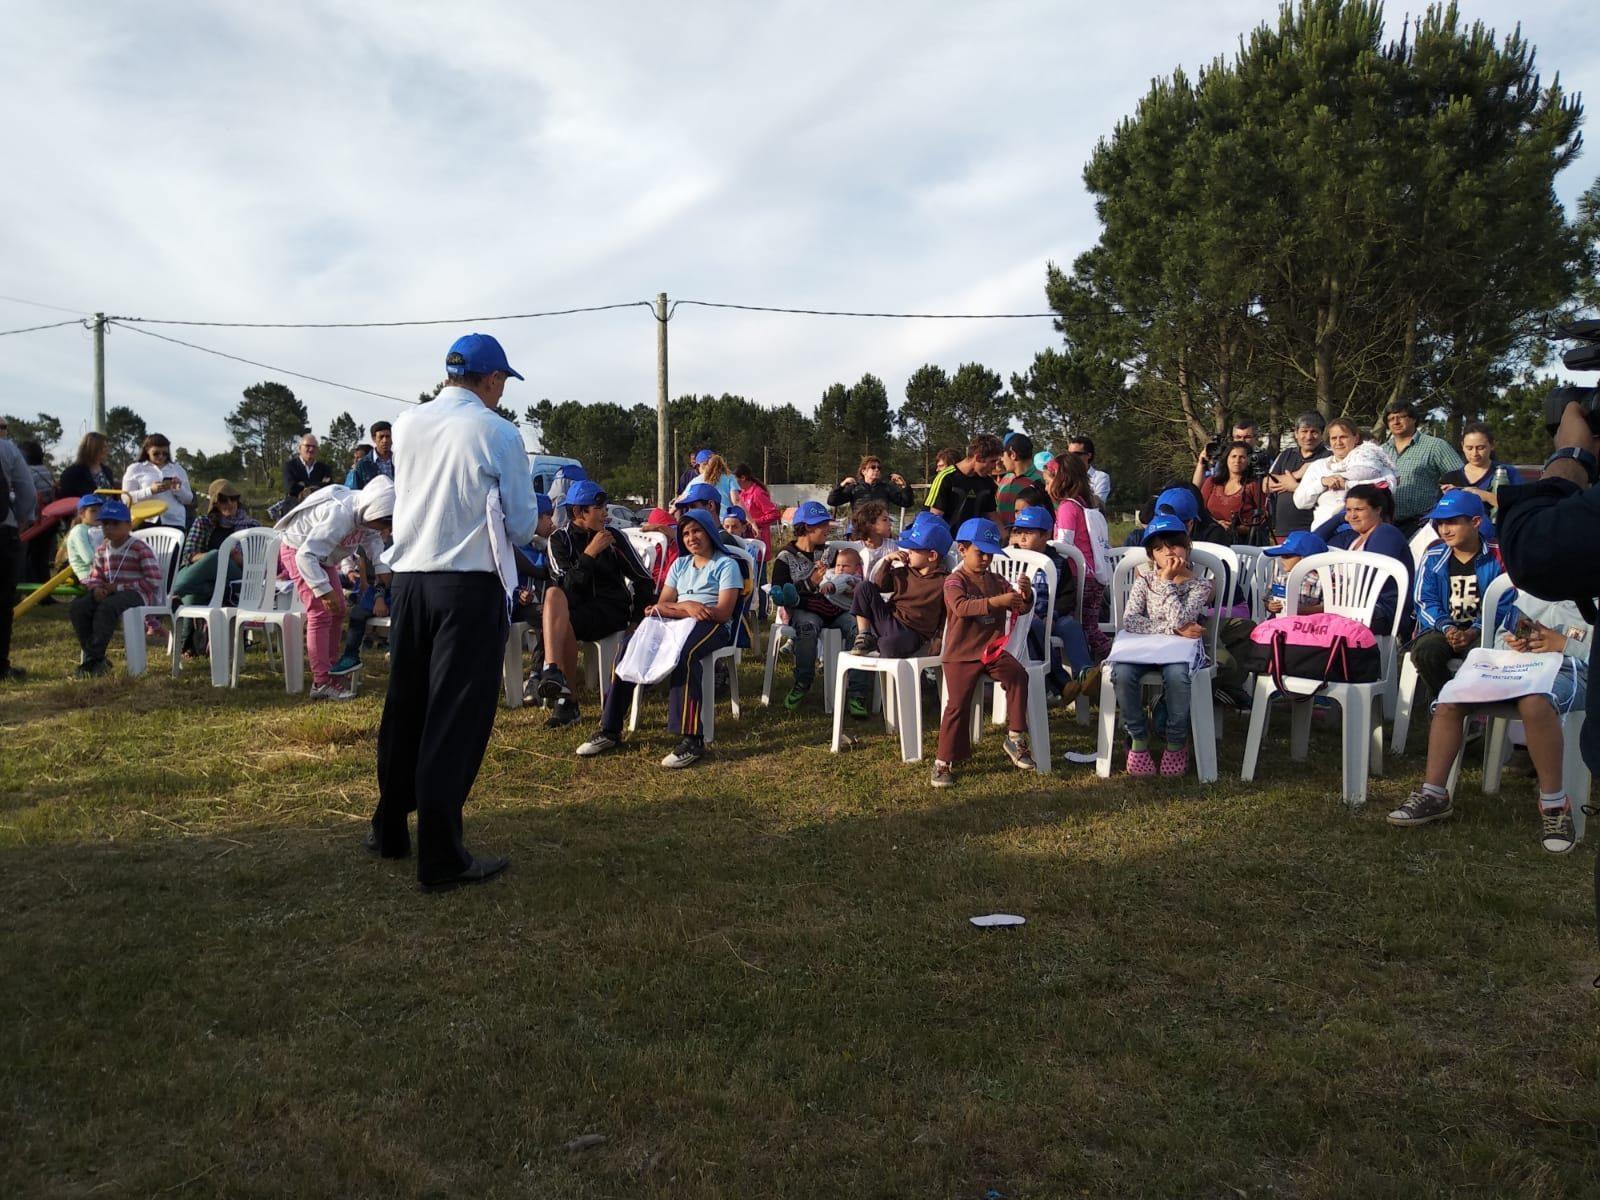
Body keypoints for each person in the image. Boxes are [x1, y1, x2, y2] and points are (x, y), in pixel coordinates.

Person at [371, 332, 539, 892]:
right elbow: (518, 522)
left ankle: (389, 828)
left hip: (412, 580)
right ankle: (441, 855)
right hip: (467, 585)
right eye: (500, 384)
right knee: (454, 717)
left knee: (407, 706)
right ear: (491, 380)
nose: (500, 394)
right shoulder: (498, 431)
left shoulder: (408, 422)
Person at [1388, 589, 1590, 852]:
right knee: (1452, 697)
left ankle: (1554, 806)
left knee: (1535, 703)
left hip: (1571, 670)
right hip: (1514, 666)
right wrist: (1515, 643)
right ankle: (1434, 794)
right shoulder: (1535, 591)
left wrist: (1563, 644)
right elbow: (1501, 637)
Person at [576, 509, 742, 769]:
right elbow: (661, 605)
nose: (691, 538)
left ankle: (692, 739)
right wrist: (686, 607)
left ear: (709, 532)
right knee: (628, 649)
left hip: (712, 624)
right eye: (685, 533)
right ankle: (609, 729)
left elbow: (722, 612)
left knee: (685, 655)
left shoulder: (725, 565)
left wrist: (679, 609)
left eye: (697, 531)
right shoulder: (680, 564)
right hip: (678, 620)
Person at [1494, 395, 1600, 771]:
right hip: (1537, 664)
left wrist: (1571, 456)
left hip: (1574, 669)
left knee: (1536, 699)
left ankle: (1554, 798)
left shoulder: (1572, 556)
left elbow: (1534, 553)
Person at [534, 479, 656, 730]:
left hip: (611, 611)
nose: (605, 513)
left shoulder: (614, 538)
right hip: (577, 610)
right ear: (579, 512)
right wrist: (589, 554)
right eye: (598, 508)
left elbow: (644, 580)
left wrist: (635, 621)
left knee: (562, 615)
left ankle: (564, 698)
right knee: (554, 596)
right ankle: (556, 676)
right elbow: (566, 585)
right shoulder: (559, 540)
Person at [931, 518, 1035, 787]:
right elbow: (961, 607)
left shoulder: (997, 580)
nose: (987, 558)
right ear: (963, 549)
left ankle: (1014, 737)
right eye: (981, 553)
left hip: (991, 650)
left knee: (1018, 676)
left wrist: (1025, 595)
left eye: (991, 553)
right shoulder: (954, 580)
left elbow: (1019, 608)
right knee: (956, 704)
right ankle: (943, 762)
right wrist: (995, 603)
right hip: (961, 654)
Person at [1111, 516, 1214, 777]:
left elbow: (1183, 618)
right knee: (1121, 673)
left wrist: (1167, 582)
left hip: (1179, 652)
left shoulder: (1200, 585)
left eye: (1174, 545)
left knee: (1177, 677)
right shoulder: (1144, 581)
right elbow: (1131, 620)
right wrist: (1171, 629)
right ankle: (1137, 737)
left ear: (1187, 547)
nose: (1168, 552)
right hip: (1142, 648)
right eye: (1159, 548)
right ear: (1151, 556)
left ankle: (1176, 739)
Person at [276, 478, 394, 700]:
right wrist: (322, 589)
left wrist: (381, 566)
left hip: (323, 557)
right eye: (385, 523)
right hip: (299, 551)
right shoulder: (340, 514)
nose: (387, 529)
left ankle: (331, 670)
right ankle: (321, 683)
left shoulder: (366, 515)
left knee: (338, 610)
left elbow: (373, 540)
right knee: (320, 612)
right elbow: (306, 555)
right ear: (375, 513)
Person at [1405, 490, 1512, 701]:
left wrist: (1474, 631)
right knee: (1426, 653)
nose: (1444, 530)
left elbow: (1506, 602)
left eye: (1452, 522)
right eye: (1440, 523)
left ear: (1476, 522)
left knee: (1483, 656)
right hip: (1440, 628)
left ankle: (1477, 708)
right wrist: (1448, 627)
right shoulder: (1433, 555)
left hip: (1486, 630)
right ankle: (1446, 704)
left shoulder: (1498, 555)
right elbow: (1424, 600)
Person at [771, 500, 871, 715]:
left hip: (836, 609)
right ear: (808, 527)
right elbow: (780, 594)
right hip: (806, 610)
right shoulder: (785, 558)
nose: (828, 529)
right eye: (823, 525)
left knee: (858, 628)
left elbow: (851, 576)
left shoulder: (830, 552)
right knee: (807, 626)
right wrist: (810, 584)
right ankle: (802, 682)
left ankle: (857, 692)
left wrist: (848, 589)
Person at [1009, 505, 1096, 704]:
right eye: (1018, 532)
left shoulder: (1057, 562)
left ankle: (1086, 673)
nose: (1021, 538)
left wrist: (1054, 615)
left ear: (1046, 534)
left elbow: (1067, 596)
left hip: (1053, 615)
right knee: (1035, 625)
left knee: (1072, 626)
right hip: (1026, 618)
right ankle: (1060, 681)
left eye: (1029, 533)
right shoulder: (1010, 560)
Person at [67, 500, 161, 678]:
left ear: (129, 525)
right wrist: (95, 589)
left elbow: (153, 580)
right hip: (110, 593)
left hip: (137, 595)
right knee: (78, 608)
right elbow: (95, 576)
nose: (109, 528)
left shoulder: (139, 548)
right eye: (105, 524)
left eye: (115, 523)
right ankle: (96, 659)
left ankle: (93, 659)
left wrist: (118, 587)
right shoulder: (102, 550)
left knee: (107, 608)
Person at [171, 480, 259, 657]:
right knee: (199, 587)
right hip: (208, 581)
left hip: (239, 580)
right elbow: (189, 555)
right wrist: (214, 557)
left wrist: (233, 557)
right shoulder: (203, 523)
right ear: (215, 503)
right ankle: (188, 646)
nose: (229, 504)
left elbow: (257, 565)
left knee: (216, 556)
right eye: (224, 500)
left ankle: (172, 593)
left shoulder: (251, 526)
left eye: (233, 499)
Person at [1314, 483, 1415, 637]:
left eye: (1359, 510)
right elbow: (1313, 542)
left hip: (1381, 609)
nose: (1352, 516)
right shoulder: (1352, 538)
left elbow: (1366, 578)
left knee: (1311, 617)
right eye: (1349, 510)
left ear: (1378, 509)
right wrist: (1339, 518)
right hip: (1349, 604)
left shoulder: (1386, 533)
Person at [850, 517, 951, 658]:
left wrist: (940, 638)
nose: (908, 552)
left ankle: (880, 647)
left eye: (914, 550)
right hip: (889, 619)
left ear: (932, 556)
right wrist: (887, 561)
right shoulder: (904, 571)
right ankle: (865, 635)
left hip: (913, 632)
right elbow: (879, 586)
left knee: (888, 645)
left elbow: (947, 614)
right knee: (864, 587)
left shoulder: (944, 581)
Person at [1045, 451, 1112, 660]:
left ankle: (1115, 659)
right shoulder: (1085, 503)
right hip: (1094, 576)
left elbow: (1063, 546)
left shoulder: (1067, 508)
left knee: (1086, 629)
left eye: (1048, 481)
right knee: (1090, 627)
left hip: (1078, 579)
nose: (1046, 488)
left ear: (1059, 480)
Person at [1292, 418, 1396, 530]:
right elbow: (1300, 502)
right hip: (1325, 532)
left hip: (1364, 533)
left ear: (1355, 438)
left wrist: (1347, 484)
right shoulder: (1318, 466)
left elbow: (1389, 485)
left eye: (1343, 437)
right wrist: (1322, 483)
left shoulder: (1371, 460)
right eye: (1333, 438)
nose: (1338, 442)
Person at [1383, 399, 1465, 536]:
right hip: (1387, 525)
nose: (1396, 422)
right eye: (1391, 419)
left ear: (1414, 419)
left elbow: (1461, 477)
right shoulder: (1380, 451)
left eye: (1402, 417)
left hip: (1422, 524)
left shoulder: (1436, 446)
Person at [0, 429, 39, 681]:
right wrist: (23, 518)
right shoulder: (7, 449)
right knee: (2, 600)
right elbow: (27, 490)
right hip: (3, 530)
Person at [1264, 412, 1331, 538]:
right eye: (1304, 431)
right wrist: (1297, 474)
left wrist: (1294, 486)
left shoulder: (1329, 458)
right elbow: (1266, 485)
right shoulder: (1286, 454)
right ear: (1296, 433)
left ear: (1322, 434)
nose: (1308, 437)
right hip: (1282, 530)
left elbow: (1328, 491)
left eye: (1314, 432)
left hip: (1314, 531)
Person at [1193, 440, 1268, 541]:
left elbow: (1263, 518)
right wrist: (1217, 524)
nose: (1237, 461)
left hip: (1242, 542)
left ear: (1249, 460)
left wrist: (1235, 529)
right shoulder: (1212, 482)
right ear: (1226, 458)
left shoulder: (1253, 485)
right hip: (1210, 538)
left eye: (1242, 457)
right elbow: (1199, 509)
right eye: (1233, 456)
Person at [1440, 422, 1522, 510]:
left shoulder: (1507, 473)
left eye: (1480, 448)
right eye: (1469, 448)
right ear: (1462, 446)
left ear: (1492, 445)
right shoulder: (1450, 478)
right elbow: (1440, 512)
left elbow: (1522, 506)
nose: (1474, 453)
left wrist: (1486, 496)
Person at [926, 436, 1001, 530]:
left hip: (974, 543)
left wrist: (1007, 539)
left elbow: (992, 515)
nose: (994, 466)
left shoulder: (988, 483)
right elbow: (934, 518)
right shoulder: (946, 477)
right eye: (992, 461)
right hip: (948, 542)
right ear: (978, 458)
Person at [121, 433, 193, 529]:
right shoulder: (135, 468)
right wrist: (150, 490)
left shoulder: (177, 469)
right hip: (143, 519)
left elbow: (188, 499)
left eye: (165, 453)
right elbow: (126, 498)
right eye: (156, 453)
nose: (161, 456)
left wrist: (178, 489)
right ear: (147, 450)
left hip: (173, 521)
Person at [18, 439, 57, 589]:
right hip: (49, 518)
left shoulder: (27, 472)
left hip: (33, 519)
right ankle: (44, 592)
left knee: (29, 558)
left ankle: (31, 590)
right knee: (42, 558)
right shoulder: (45, 470)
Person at [1261, 530, 1328, 616]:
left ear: (1306, 558)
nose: (1282, 559)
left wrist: (1302, 610)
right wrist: (1270, 606)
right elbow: (1268, 599)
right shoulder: (1281, 579)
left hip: (1312, 625)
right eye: (1281, 555)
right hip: (1281, 623)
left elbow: (1330, 607)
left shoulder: (1323, 580)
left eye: (1287, 556)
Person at [827, 455, 914, 511]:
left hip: (880, 532)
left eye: (879, 468)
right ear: (863, 471)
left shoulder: (886, 487)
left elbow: (906, 503)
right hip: (860, 531)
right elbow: (832, 501)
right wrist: (842, 485)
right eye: (873, 467)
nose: (877, 470)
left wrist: (904, 486)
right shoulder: (854, 488)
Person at [994, 433, 1043, 528]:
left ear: (1012, 454)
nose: (1001, 459)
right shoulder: (1005, 479)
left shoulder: (1042, 481)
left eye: (1003, 454)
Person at [731, 464, 780, 548]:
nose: (733, 484)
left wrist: (754, 522)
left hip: (758, 540)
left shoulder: (757, 493)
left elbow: (774, 514)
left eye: (734, 480)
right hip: (746, 540)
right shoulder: (741, 493)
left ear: (743, 478)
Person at [849, 499, 898, 580]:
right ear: (869, 524)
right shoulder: (855, 548)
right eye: (885, 520)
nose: (890, 524)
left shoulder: (892, 546)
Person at [56, 432, 114, 500]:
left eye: (107, 446)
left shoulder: (107, 471)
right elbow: (67, 500)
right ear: (93, 448)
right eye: (103, 446)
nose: (107, 450)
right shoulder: (72, 473)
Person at [282, 433, 332, 507]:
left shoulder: (324, 468)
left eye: (314, 446)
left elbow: (329, 488)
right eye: (307, 446)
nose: (311, 449)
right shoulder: (290, 466)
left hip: (318, 507)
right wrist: (319, 484)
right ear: (300, 448)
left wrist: (304, 484)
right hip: (295, 509)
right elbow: (291, 489)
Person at [64, 494, 105, 582]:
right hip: (88, 575)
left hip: (101, 571)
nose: (98, 514)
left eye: (101, 511)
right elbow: (89, 558)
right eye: (93, 511)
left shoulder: (95, 528)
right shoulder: (78, 531)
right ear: (82, 513)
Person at [1067, 435, 1112, 504]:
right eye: (1069, 454)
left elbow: (1097, 503)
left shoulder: (1101, 477)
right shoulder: (1065, 476)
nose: (1071, 458)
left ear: (1089, 455)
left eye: (1076, 454)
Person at [350, 421, 395, 488]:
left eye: (388, 436)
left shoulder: (399, 461)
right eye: (381, 437)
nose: (385, 440)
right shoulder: (363, 465)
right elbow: (357, 492)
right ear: (374, 439)